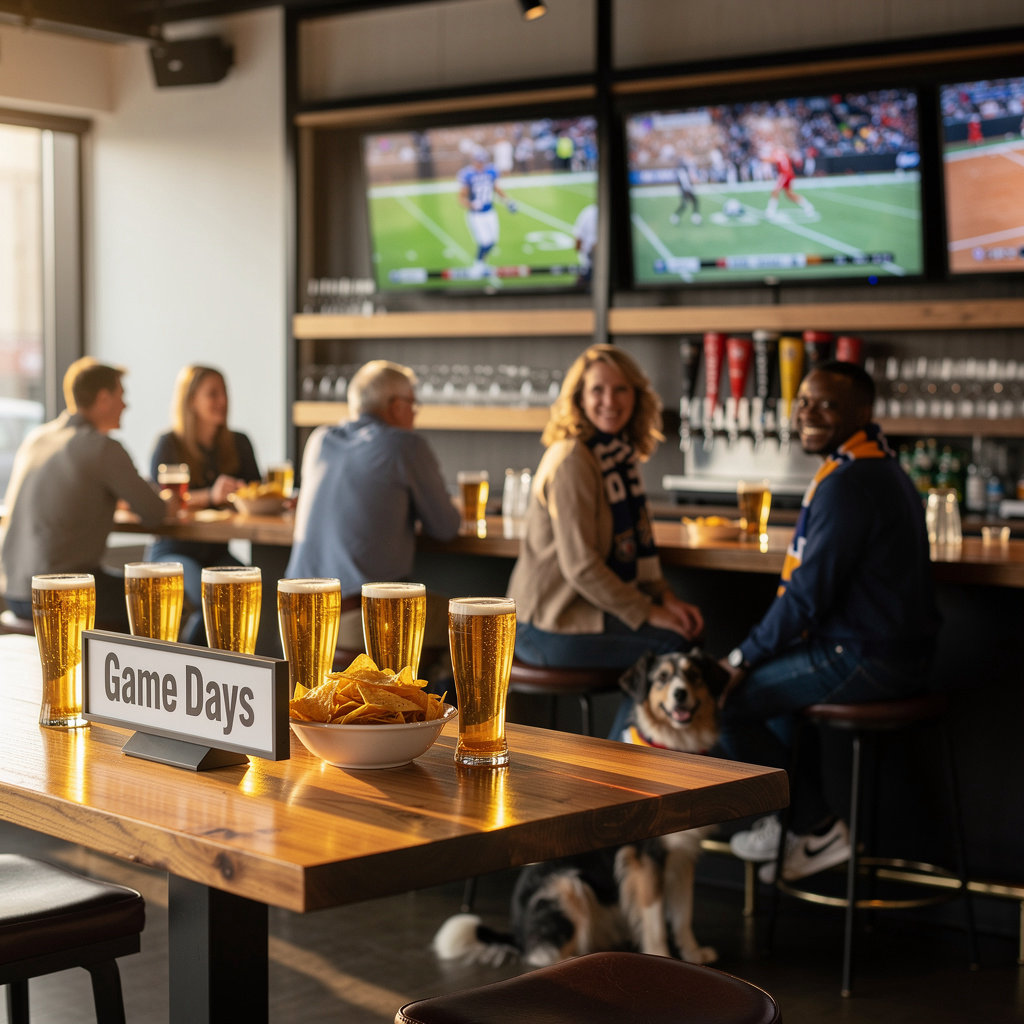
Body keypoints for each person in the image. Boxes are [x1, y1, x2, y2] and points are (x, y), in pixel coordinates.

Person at [719, 361, 940, 883]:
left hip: (868, 656)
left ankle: (815, 827)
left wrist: (740, 658)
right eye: (803, 402)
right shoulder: (873, 467)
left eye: (826, 404)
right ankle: (790, 823)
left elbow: (807, 598)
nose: (808, 413)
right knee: (771, 696)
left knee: (726, 703)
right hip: (894, 652)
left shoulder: (849, 483)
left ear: (862, 413)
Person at [507, 344, 704, 674]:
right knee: (674, 647)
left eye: (621, 389)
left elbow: (637, 548)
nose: (610, 401)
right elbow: (581, 567)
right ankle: (630, 730)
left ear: (636, 397)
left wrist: (666, 599)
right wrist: (648, 611)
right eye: (597, 390)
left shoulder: (617, 455)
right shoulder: (572, 459)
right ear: (579, 398)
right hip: (548, 624)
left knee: (685, 635)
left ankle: (634, 728)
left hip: (587, 613)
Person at [285, 360, 461, 655]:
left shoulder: (320, 439)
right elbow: (445, 527)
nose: (414, 412)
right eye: (412, 403)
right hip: (357, 620)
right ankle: (433, 698)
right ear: (395, 406)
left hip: (297, 618)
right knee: (467, 623)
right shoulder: (405, 445)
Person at [1, 359, 175, 630]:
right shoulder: (102, 448)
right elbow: (154, 513)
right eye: (121, 396)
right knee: (163, 598)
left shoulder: (37, 438)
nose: (125, 405)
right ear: (104, 398)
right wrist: (171, 503)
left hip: (14, 592)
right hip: (59, 594)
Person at [148, 365, 261, 644]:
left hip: (216, 552)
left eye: (224, 393)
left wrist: (243, 496)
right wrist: (210, 495)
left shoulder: (239, 443)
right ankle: (187, 669)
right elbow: (158, 502)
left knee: (255, 594)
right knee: (211, 599)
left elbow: (256, 493)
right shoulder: (169, 444)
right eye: (213, 394)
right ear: (191, 401)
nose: (222, 401)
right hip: (173, 552)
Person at [457, 146, 517, 277]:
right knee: (485, 242)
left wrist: (508, 201)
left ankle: (482, 263)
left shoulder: (491, 171)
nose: (480, 163)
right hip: (476, 215)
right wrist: (471, 204)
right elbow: (461, 197)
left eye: (482, 160)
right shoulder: (468, 174)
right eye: (478, 160)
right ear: (473, 161)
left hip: (490, 212)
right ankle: (477, 265)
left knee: (493, 241)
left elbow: (496, 189)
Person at [763, 146, 814, 219]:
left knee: (775, 191)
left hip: (784, 174)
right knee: (789, 194)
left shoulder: (778, 154)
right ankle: (807, 205)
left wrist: (761, 157)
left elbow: (771, 160)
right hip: (789, 174)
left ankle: (770, 211)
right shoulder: (784, 154)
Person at [669, 159, 701, 226]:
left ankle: (695, 216)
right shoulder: (682, 172)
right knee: (685, 204)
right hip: (685, 190)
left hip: (686, 189)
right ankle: (675, 216)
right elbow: (685, 182)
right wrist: (688, 189)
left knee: (694, 201)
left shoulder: (681, 171)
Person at [572, 203, 598, 286]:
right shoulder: (589, 212)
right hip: (590, 262)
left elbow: (578, 242)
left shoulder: (589, 211)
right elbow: (578, 242)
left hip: (590, 263)